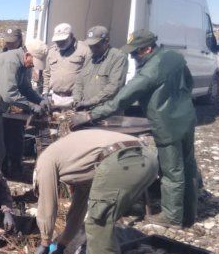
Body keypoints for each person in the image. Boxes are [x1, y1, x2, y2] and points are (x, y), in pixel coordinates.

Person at [71, 30, 198, 228]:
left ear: (147, 49)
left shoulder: (150, 71)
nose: (132, 57)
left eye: (134, 53)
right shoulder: (174, 56)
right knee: (188, 166)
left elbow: (122, 99)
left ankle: (172, 217)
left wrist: (90, 116)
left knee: (171, 171)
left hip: (167, 125)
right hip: (186, 117)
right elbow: (189, 83)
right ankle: (189, 214)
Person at [32, 129, 159, 254]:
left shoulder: (45, 160)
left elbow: (47, 205)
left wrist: (45, 242)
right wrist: (62, 244)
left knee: (98, 224)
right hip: (148, 158)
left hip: (122, 160)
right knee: (99, 220)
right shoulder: (76, 159)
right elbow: (78, 210)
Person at [72, 26, 128, 111]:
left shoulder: (118, 57)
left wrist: (90, 102)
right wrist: (77, 99)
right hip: (86, 110)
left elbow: (114, 87)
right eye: (90, 46)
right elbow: (79, 82)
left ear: (107, 41)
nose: (93, 49)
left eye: (96, 46)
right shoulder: (89, 57)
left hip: (106, 111)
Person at [43, 23, 91, 99]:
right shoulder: (51, 51)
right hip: (54, 97)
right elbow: (47, 74)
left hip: (75, 98)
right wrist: (45, 92)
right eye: (57, 40)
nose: (59, 43)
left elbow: (89, 75)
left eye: (63, 40)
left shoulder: (84, 50)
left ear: (71, 36)